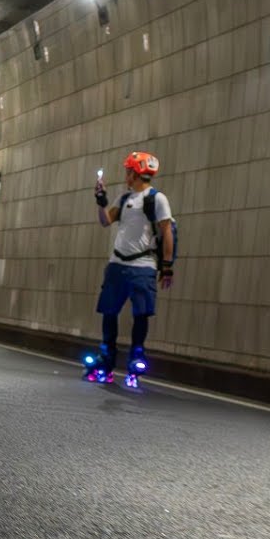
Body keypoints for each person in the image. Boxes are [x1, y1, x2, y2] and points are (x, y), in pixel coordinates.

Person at [88, 151, 175, 387]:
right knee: (109, 312)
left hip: (143, 266)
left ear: (134, 173)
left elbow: (167, 232)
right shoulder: (124, 198)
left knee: (141, 314)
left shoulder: (157, 199)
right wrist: (101, 202)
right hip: (117, 264)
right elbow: (106, 221)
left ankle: (136, 355)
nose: (125, 175)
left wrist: (167, 266)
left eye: (128, 171)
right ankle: (106, 358)